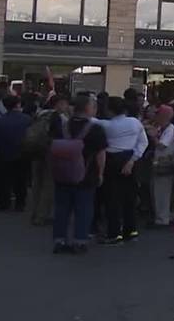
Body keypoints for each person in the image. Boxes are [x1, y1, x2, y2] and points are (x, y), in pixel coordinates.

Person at [51, 94, 107, 255]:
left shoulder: (62, 125)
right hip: (85, 175)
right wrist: (101, 173)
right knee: (83, 209)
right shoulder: (95, 128)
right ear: (89, 109)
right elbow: (100, 153)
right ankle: (80, 241)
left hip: (61, 172)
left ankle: (59, 240)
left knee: (61, 208)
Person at [95, 97, 148, 245]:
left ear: (109, 110)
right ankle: (131, 230)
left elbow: (90, 121)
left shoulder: (105, 125)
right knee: (130, 197)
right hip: (130, 158)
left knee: (112, 198)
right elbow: (144, 142)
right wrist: (132, 160)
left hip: (112, 160)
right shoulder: (135, 122)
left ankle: (114, 233)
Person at [30, 94, 71, 225]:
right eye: (65, 103)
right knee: (49, 185)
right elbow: (61, 136)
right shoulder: (58, 117)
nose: (66, 106)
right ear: (58, 103)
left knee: (37, 183)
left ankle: (35, 212)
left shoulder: (40, 113)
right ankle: (42, 216)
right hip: (50, 152)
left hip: (36, 151)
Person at [0, 94, 32, 212]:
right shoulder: (27, 119)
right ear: (18, 104)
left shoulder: (0, 121)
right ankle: (20, 203)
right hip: (22, 153)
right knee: (21, 180)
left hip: (4, 153)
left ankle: (4, 202)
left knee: (4, 180)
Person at [150, 105, 174, 227]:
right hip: (161, 163)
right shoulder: (163, 128)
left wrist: (153, 137)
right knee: (159, 191)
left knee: (162, 192)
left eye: (158, 114)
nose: (155, 116)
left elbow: (162, 146)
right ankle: (163, 216)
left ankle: (162, 219)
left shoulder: (169, 130)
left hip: (164, 164)